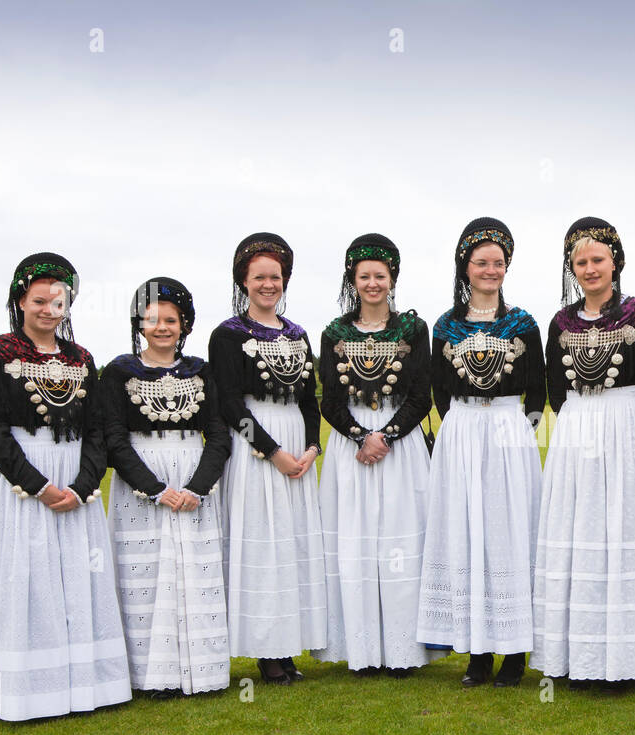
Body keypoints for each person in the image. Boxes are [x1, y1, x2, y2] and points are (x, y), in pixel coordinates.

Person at [0, 252, 131, 720]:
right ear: (20, 299)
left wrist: (82, 485)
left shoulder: (81, 358)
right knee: (25, 578)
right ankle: (29, 693)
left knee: (78, 577)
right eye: (40, 301)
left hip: (76, 482)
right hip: (20, 482)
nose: (49, 310)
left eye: (59, 302)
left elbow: (96, 430)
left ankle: (85, 687)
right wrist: (39, 486)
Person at [533, 217, 635, 687]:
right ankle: (582, 656)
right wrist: (577, 420)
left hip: (630, 428)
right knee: (580, 531)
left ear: (616, 261)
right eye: (581, 262)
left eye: (598, 260)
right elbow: (554, 385)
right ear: (572, 268)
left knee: (628, 528)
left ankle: (634, 659)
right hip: (576, 429)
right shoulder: (561, 322)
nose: (590, 269)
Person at [417, 218, 546, 687]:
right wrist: (461, 429)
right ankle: (475, 652)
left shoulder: (524, 323)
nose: (490, 270)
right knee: (467, 530)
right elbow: (438, 387)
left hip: (509, 425)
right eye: (481, 262)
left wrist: (519, 433)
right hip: (463, 427)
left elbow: (538, 389)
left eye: (498, 262)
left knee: (508, 530)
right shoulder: (446, 326)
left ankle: (513, 652)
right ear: (465, 266)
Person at [317, 234, 443, 676]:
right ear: (352, 280)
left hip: (400, 447)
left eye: (380, 276)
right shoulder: (334, 333)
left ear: (392, 279)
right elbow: (329, 400)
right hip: (351, 451)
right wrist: (359, 436)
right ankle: (361, 649)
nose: (373, 283)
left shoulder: (413, 329)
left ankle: (404, 651)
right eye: (364, 275)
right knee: (353, 541)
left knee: (400, 541)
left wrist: (385, 435)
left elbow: (421, 395)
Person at [101, 277, 232, 697]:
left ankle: (204, 671)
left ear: (184, 324)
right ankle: (151, 677)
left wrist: (197, 486)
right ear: (140, 323)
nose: (162, 327)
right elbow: (114, 438)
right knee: (148, 573)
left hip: (194, 478)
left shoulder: (201, 372)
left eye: (171, 320)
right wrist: (154, 488)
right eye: (152, 319)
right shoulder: (119, 372)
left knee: (195, 572)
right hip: (142, 484)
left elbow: (219, 432)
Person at [208, 232, 326, 685]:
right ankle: (266, 650)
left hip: (297, 444)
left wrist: (312, 448)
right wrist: (272, 452)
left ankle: (290, 643)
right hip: (256, 447)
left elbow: (309, 400)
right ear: (243, 280)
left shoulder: (297, 335)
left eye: (275, 276)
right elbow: (230, 405)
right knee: (264, 543)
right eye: (259, 276)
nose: (268, 284)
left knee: (293, 545)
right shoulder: (228, 335)